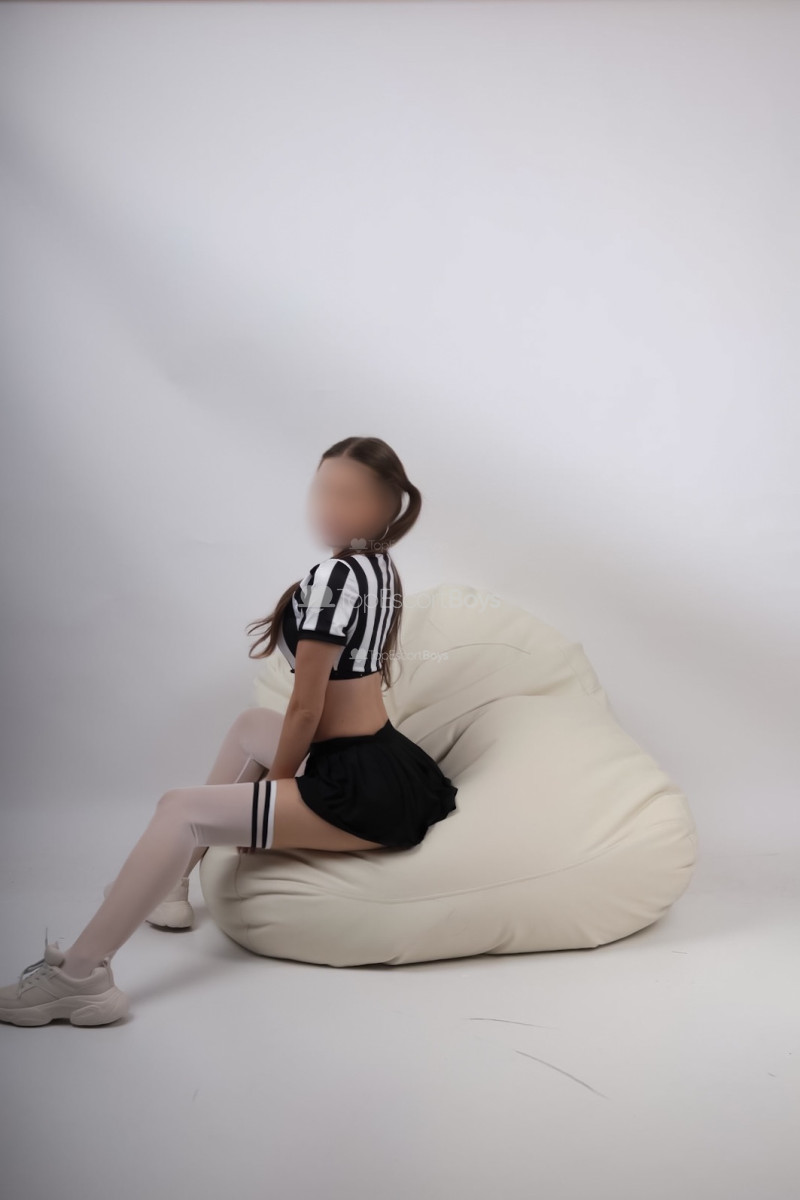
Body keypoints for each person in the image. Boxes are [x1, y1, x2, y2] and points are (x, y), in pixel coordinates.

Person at [0, 436, 458, 1026]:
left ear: (385, 506)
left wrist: (276, 786)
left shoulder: (335, 575)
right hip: (383, 762)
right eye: (323, 489)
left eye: (349, 495)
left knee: (179, 808)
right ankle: (170, 885)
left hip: (356, 786)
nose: (329, 506)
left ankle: (80, 978)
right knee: (249, 725)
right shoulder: (377, 567)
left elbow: (305, 709)